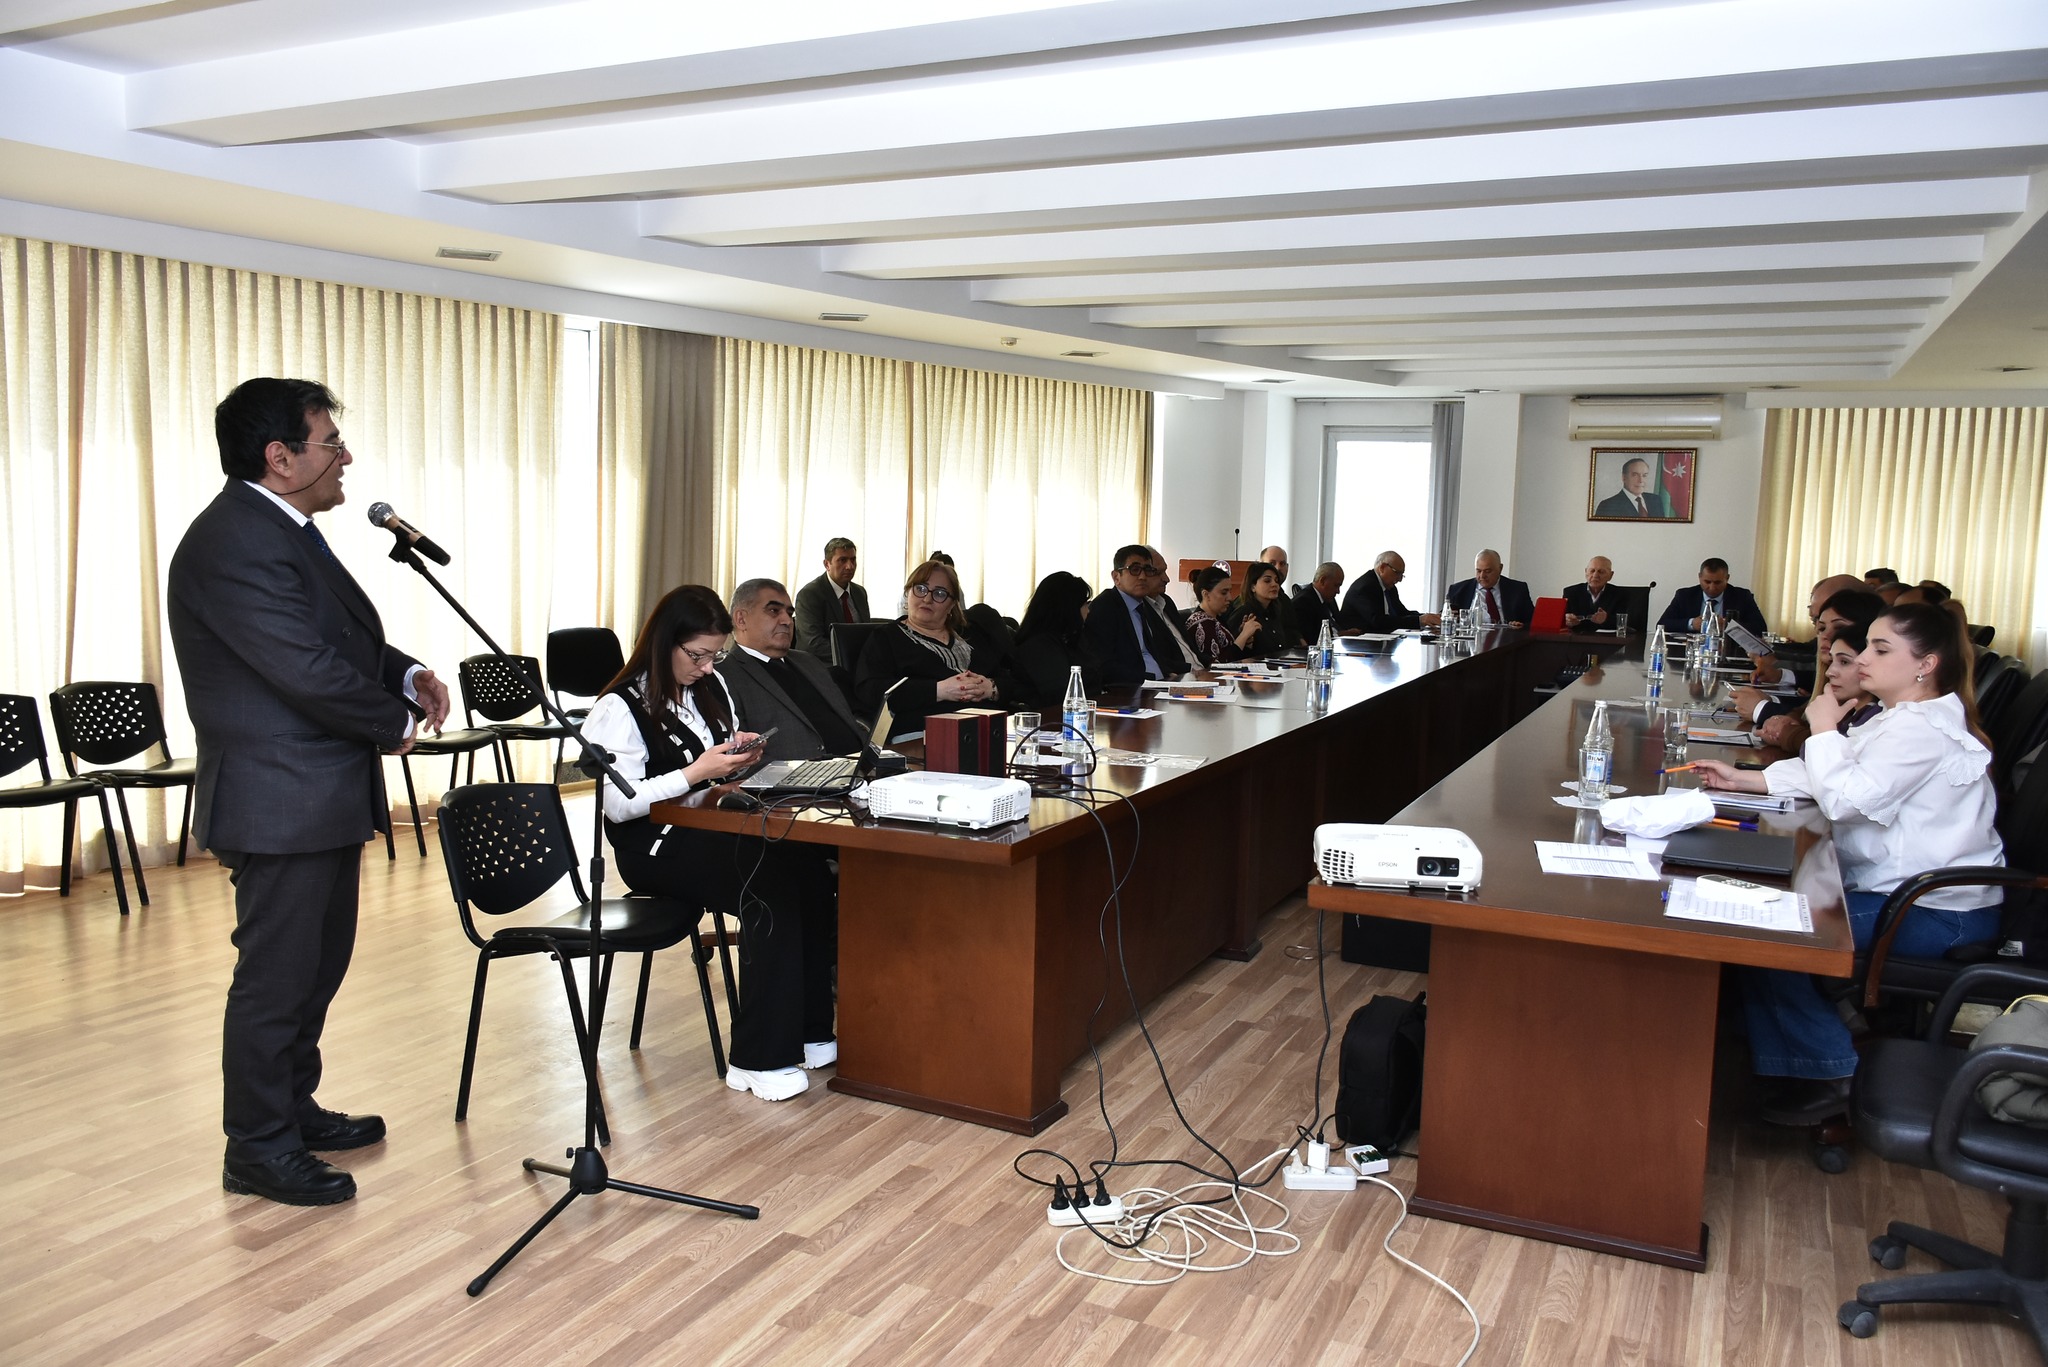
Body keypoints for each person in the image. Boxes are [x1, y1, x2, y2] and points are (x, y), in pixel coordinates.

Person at [167, 377, 452, 1206]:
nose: (346, 456)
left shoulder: (282, 528)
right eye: (331, 442)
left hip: (315, 795)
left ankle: (291, 1109)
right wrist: (393, 721)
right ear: (280, 457)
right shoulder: (233, 542)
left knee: (315, 969)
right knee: (276, 978)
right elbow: (302, 667)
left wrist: (405, 672)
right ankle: (257, 1147)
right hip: (277, 799)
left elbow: (336, 637)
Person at [1692, 602, 2004, 1124]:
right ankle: (1795, 1041)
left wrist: (1821, 729)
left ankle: (1829, 1072)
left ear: (1925, 664)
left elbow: (1844, 799)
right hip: (1904, 895)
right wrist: (1748, 779)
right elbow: (1827, 774)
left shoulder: (1922, 729)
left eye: (1881, 650)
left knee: (1773, 929)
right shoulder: (1898, 718)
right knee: (1769, 914)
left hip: (1938, 910)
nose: (1863, 660)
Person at [583, 585, 837, 1102]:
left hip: (711, 827)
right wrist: (696, 771)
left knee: (808, 868)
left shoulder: (710, 685)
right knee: (768, 884)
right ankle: (756, 1058)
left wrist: (737, 754)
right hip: (652, 846)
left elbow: (715, 764)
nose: (705, 667)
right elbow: (619, 805)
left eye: (714, 656)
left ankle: (810, 1029)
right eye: (697, 656)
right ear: (664, 643)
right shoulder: (619, 707)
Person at [856, 558, 1013, 739]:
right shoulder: (885, 637)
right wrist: (939, 690)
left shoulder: (971, 634)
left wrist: (991, 688)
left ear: (952, 604)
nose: (927, 599)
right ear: (908, 593)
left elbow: (1011, 682)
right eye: (920, 589)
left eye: (939, 593)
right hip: (923, 733)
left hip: (990, 728)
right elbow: (871, 691)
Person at [719, 578, 868, 761]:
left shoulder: (808, 661)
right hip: (802, 776)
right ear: (741, 619)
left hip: (861, 765)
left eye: (789, 613)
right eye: (774, 611)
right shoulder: (723, 675)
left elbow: (848, 721)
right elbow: (738, 757)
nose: (787, 621)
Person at [1731, 587, 1884, 750]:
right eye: (1821, 628)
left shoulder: (1873, 713)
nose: (1825, 636)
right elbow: (1806, 713)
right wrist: (1792, 717)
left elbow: (1831, 749)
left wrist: (1776, 722)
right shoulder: (1836, 684)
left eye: (1840, 628)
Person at [1084, 545, 1191, 686]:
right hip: (1128, 689)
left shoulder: (1145, 605)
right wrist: (1150, 679)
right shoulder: (1105, 607)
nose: (1142, 577)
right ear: (1116, 577)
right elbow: (1104, 664)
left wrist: (1188, 671)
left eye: (1148, 570)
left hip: (1159, 685)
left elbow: (1153, 655)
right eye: (1134, 570)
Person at [1010, 571, 1102, 709]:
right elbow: (1062, 694)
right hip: (1053, 717)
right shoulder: (1039, 646)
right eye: (1084, 604)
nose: (1088, 611)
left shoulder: (1071, 638)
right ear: (1069, 609)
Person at [792, 537, 868, 662]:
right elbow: (813, 643)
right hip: (822, 664)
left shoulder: (859, 592)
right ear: (827, 564)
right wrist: (854, 656)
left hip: (857, 663)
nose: (850, 566)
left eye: (853, 560)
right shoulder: (809, 594)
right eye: (842, 560)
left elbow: (865, 634)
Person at [1655, 557, 1769, 637]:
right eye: (1707, 582)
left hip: (1728, 653)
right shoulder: (1685, 595)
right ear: (1700, 577)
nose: (1712, 587)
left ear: (1727, 578)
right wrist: (1692, 624)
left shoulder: (1742, 596)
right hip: (1691, 652)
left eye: (1717, 582)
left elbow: (1761, 628)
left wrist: (1728, 626)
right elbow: (1662, 624)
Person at [1337, 551, 1440, 633]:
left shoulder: (1390, 587)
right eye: (1397, 573)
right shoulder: (1365, 587)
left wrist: (1428, 617)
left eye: (1402, 574)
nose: (1400, 579)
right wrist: (1419, 620)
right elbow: (1378, 621)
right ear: (1382, 568)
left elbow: (1402, 613)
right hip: (1359, 643)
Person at [1185, 565, 1261, 666]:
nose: (1229, 597)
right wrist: (1243, 636)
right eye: (1224, 593)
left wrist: (1246, 641)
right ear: (1206, 595)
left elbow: (1238, 658)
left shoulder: (1217, 619)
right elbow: (1218, 665)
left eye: (1229, 592)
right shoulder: (1201, 624)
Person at [1223, 561, 1301, 655]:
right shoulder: (1243, 613)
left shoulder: (1275, 612)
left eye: (1276, 581)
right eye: (1267, 581)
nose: (1274, 584)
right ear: (1253, 587)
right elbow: (1230, 652)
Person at [1445, 549, 1534, 627]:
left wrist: (1519, 626)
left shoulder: (1518, 589)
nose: (1482, 576)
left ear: (1500, 568)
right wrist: (1444, 617)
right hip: (1471, 638)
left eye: (1487, 571)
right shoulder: (1458, 590)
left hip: (1507, 638)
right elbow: (1445, 617)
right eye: (1478, 571)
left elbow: (1531, 621)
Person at [1291, 562, 1356, 637]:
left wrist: (1345, 633)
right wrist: (1339, 635)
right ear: (1322, 581)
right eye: (1336, 585)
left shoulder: (1329, 599)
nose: (1338, 591)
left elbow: (1339, 624)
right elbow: (1310, 637)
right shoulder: (1302, 603)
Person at [1593, 456, 1669, 518]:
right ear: (1624, 477)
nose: (1641, 480)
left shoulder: (1656, 500)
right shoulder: (1608, 506)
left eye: (1644, 475)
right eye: (1635, 475)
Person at [1562, 556, 1618, 632]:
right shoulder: (1571, 592)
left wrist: (1606, 619)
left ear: (1611, 575)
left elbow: (1627, 623)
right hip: (1576, 637)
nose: (1595, 575)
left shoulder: (1620, 594)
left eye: (1601, 572)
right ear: (1586, 572)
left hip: (1607, 638)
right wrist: (1566, 621)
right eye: (1592, 571)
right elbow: (1561, 620)